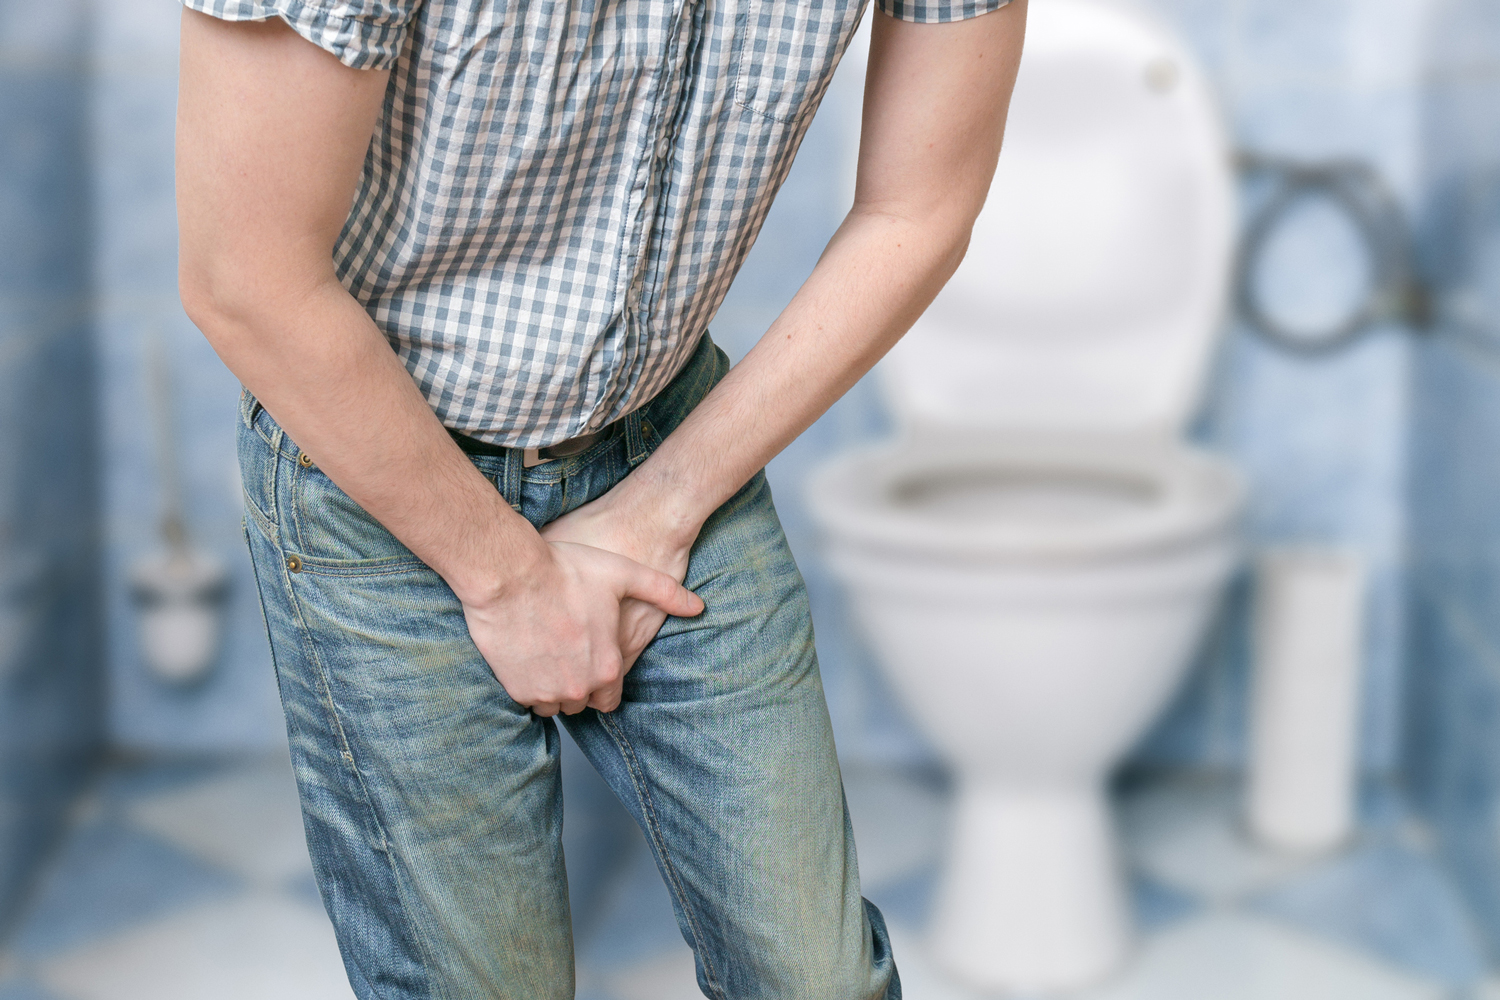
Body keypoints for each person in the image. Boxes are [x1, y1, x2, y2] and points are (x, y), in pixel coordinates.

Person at [174, 0, 1024, 992]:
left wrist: (664, 502)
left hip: (667, 434)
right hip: (382, 465)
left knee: (817, 979)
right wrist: (506, 580)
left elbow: (918, 208)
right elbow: (244, 276)